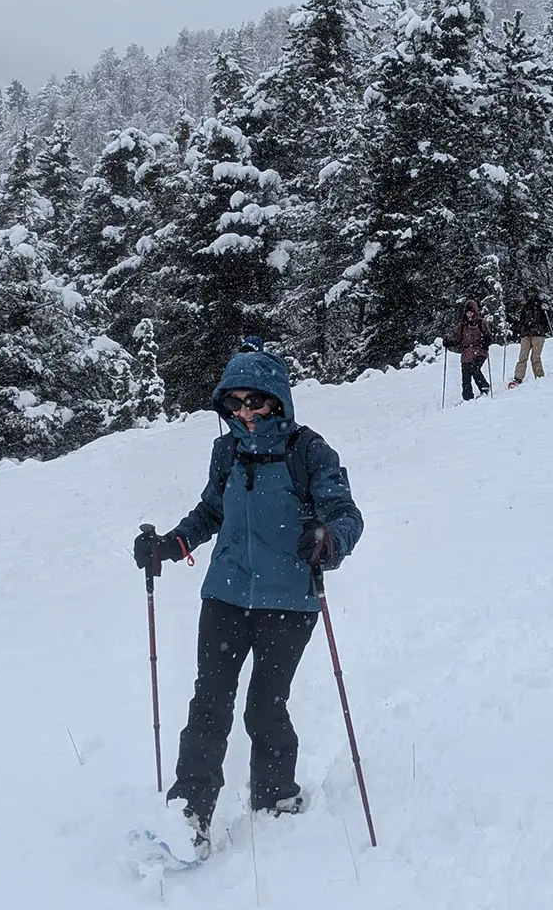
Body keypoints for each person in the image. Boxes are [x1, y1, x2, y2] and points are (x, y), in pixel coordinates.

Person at [130, 348, 364, 858]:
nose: (244, 412)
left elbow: (347, 515)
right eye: (234, 403)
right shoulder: (227, 451)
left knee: (265, 705)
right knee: (209, 705)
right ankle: (188, 815)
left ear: (277, 400)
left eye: (254, 401)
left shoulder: (309, 451)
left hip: (289, 602)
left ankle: (275, 799)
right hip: (225, 597)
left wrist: (329, 540)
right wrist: (170, 545)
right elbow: (211, 512)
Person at [445, 299, 495, 401]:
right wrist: (449, 342)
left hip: (479, 351)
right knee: (465, 375)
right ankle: (467, 397)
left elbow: (488, 335)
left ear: (475, 312)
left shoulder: (481, 323)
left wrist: (486, 341)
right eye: (467, 312)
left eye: (471, 312)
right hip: (466, 353)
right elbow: (456, 337)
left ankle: (484, 387)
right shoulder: (462, 325)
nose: (469, 315)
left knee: (474, 368)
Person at [509, 289, 553, 387]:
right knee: (523, 357)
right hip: (527, 334)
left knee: (535, 357)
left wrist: (547, 312)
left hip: (537, 334)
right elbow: (521, 320)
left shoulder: (541, 306)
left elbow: (548, 319)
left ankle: (539, 376)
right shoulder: (526, 307)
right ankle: (518, 378)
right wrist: (519, 328)